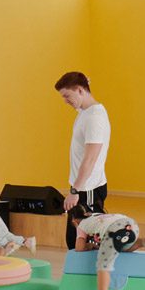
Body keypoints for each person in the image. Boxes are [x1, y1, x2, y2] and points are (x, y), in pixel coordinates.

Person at [54, 72, 111, 251]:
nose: (65, 101)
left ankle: (101, 276)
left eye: (67, 96)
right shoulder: (86, 112)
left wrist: (74, 190)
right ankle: (79, 278)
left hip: (88, 189)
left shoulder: (95, 118)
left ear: (79, 90)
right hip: (82, 188)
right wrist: (84, 81)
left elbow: (90, 158)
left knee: (89, 242)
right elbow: (84, 98)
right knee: (74, 241)